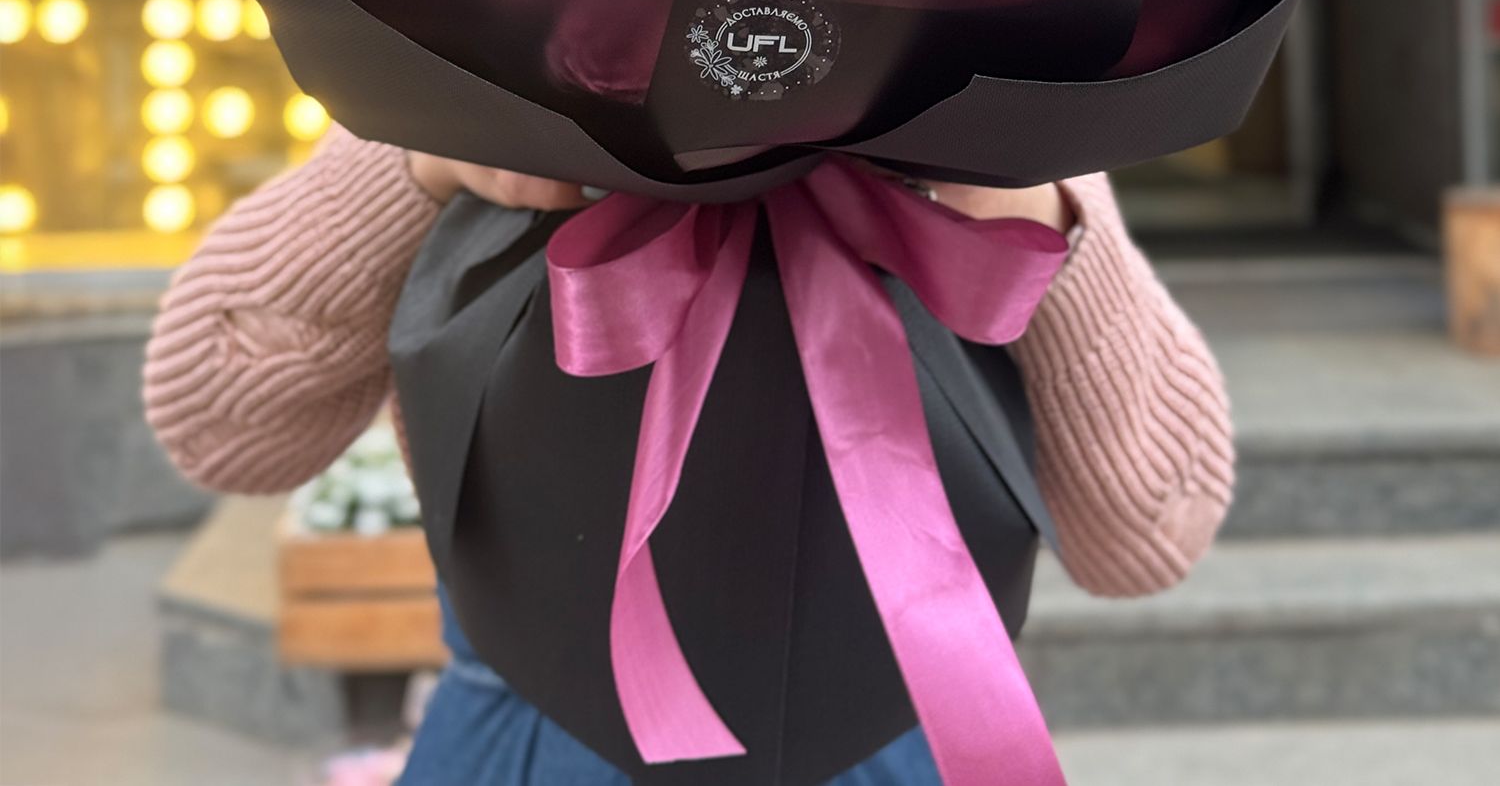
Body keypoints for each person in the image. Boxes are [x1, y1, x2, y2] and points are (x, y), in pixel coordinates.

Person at [144, 127, 1234, 785]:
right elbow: (216, 422)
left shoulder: (990, 120)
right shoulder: (476, 70)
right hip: (534, 736)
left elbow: (1152, 532)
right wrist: (420, 152)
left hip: (885, 733)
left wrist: (1038, 199)